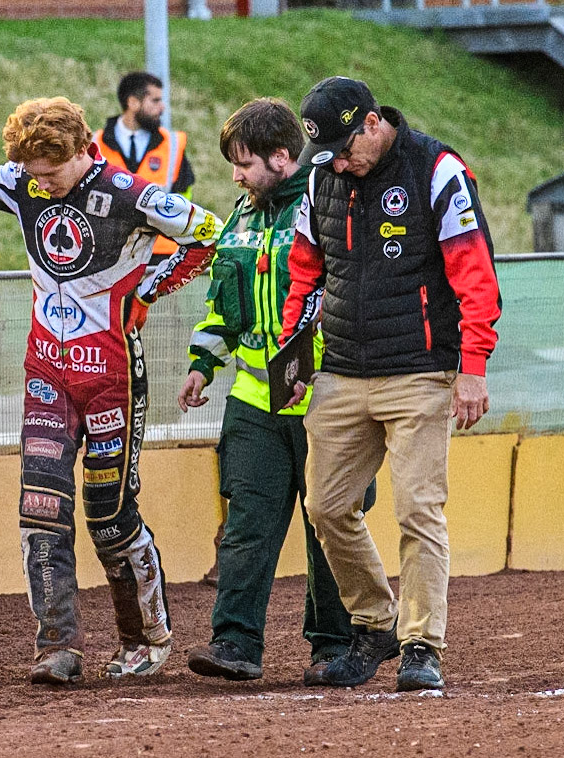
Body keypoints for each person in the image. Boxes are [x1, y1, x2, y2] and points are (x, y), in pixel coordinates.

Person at [0, 81, 220, 684]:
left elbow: (206, 230)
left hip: (111, 380)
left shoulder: (129, 193)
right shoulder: (26, 183)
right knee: (41, 509)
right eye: (32, 171)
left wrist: (148, 288)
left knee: (109, 516)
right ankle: (57, 645)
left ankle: (145, 638)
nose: (40, 181)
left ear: (83, 148)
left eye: (50, 170)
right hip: (47, 374)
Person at [280, 77, 501, 692]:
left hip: (423, 370)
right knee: (326, 506)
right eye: (326, 153)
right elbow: (306, 271)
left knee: (417, 512)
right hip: (342, 371)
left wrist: (473, 367)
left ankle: (421, 645)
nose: (338, 162)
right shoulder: (324, 177)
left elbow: (475, 275)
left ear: (373, 123)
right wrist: (292, 359)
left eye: (346, 148)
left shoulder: (437, 169)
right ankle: (374, 623)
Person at [177, 98, 377, 684]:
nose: (235, 176)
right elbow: (222, 305)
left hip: (328, 400)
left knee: (332, 525)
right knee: (246, 526)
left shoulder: (332, 206)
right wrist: (201, 364)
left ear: (283, 158)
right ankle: (234, 644)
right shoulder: (241, 218)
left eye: (243, 163)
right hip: (254, 402)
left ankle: (334, 649)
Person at [92, 71, 195, 263]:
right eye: (155, 101)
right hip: (108, 253)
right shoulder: (94, 145)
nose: (162, 107)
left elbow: (185, 198)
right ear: (133, 103)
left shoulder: (173, 145)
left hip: (161, 252)